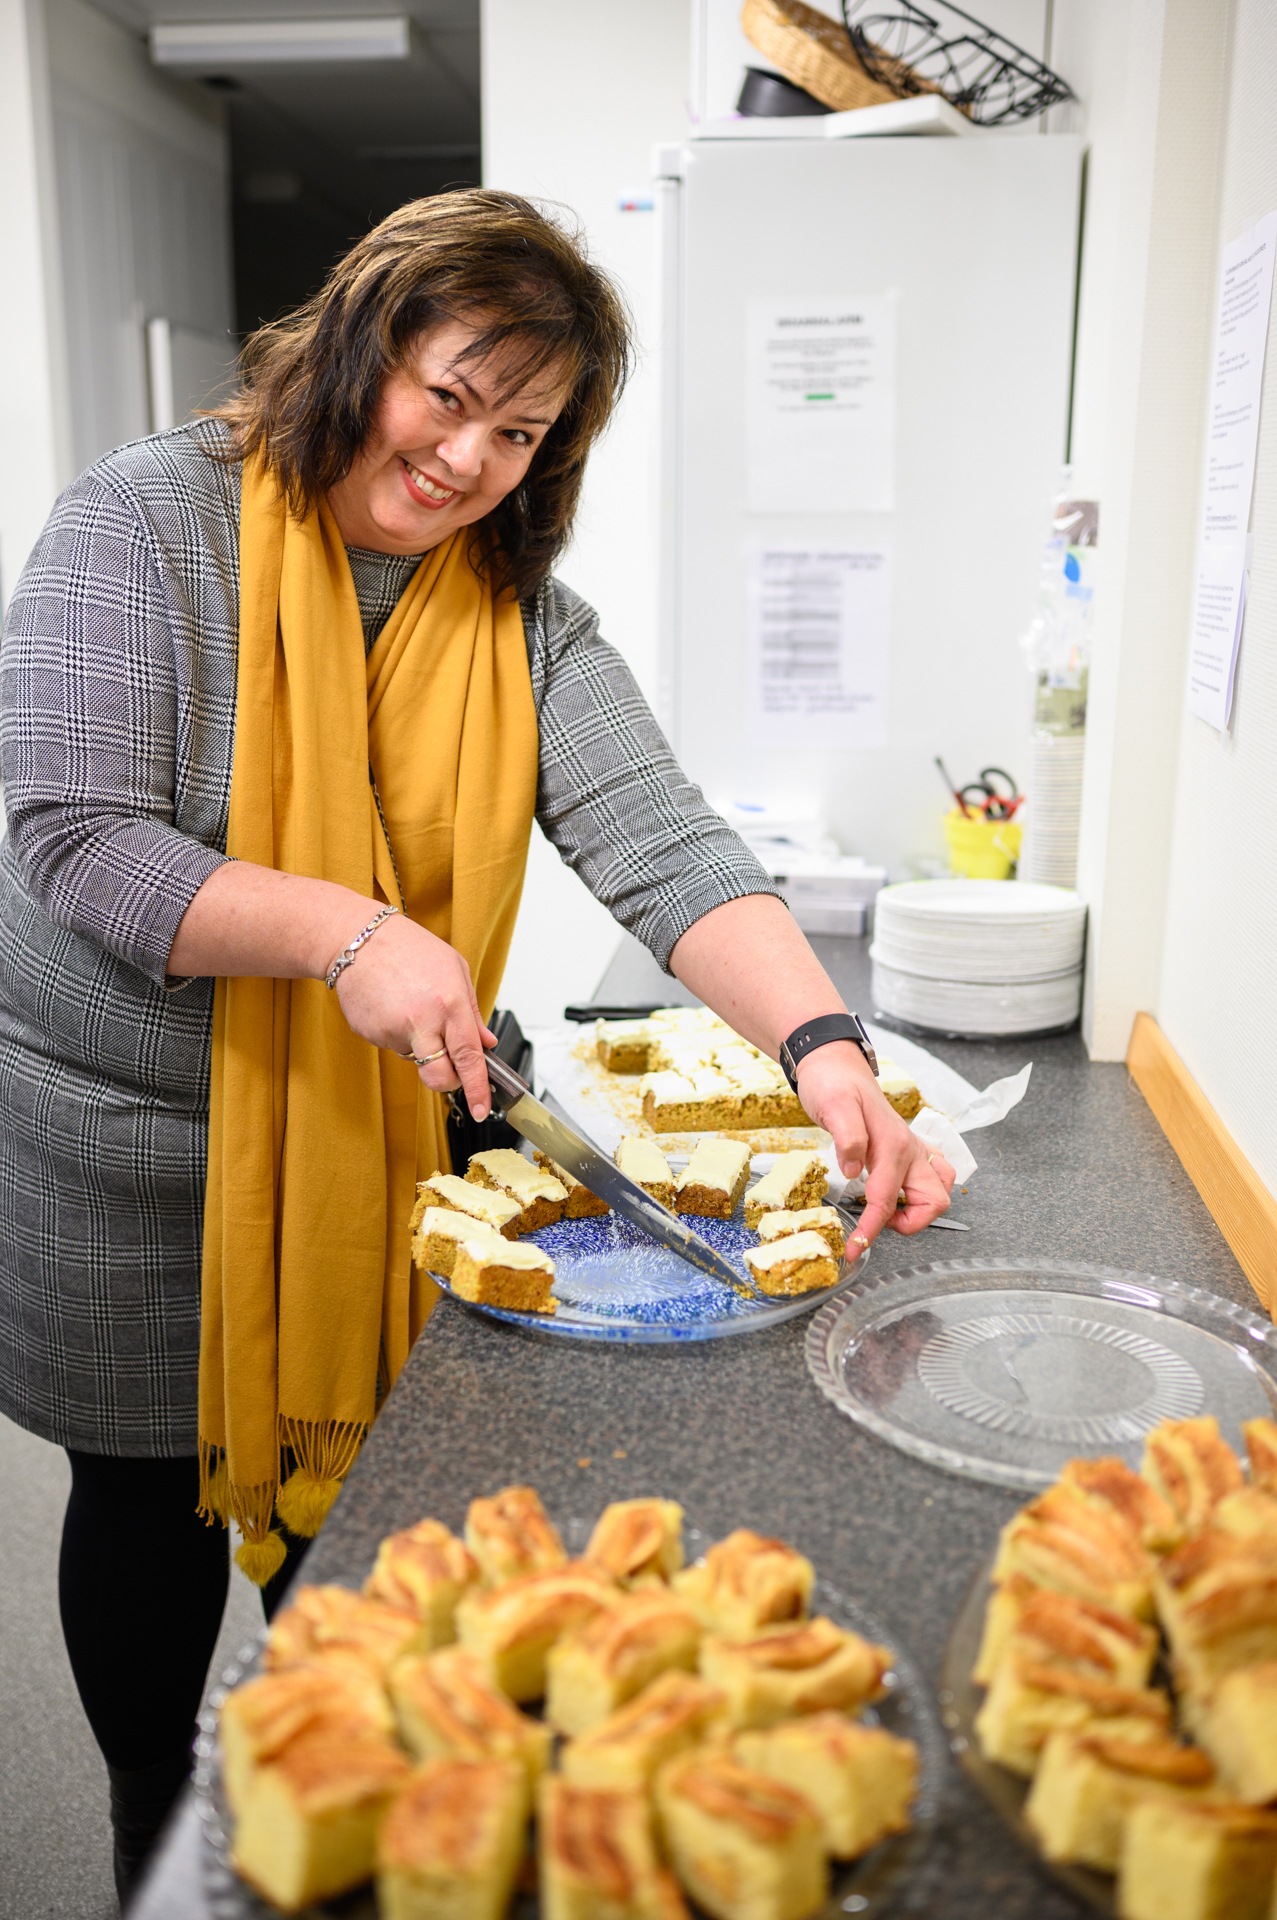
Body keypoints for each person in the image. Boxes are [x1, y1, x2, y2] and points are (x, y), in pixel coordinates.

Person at [0, 189, 952, 1895]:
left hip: (377, 1139)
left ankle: (346, 1788)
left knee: (377, 1520)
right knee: (142, 1504)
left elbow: (663, 842)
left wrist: (823, 1048)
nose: (466, 461)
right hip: (123, 1139)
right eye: (446, 397)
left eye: (519, 433)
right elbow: (74, 838)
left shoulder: (519, 611)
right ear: (354, 349)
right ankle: (157, 1831)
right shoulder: (144, 524)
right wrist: (347, 933)